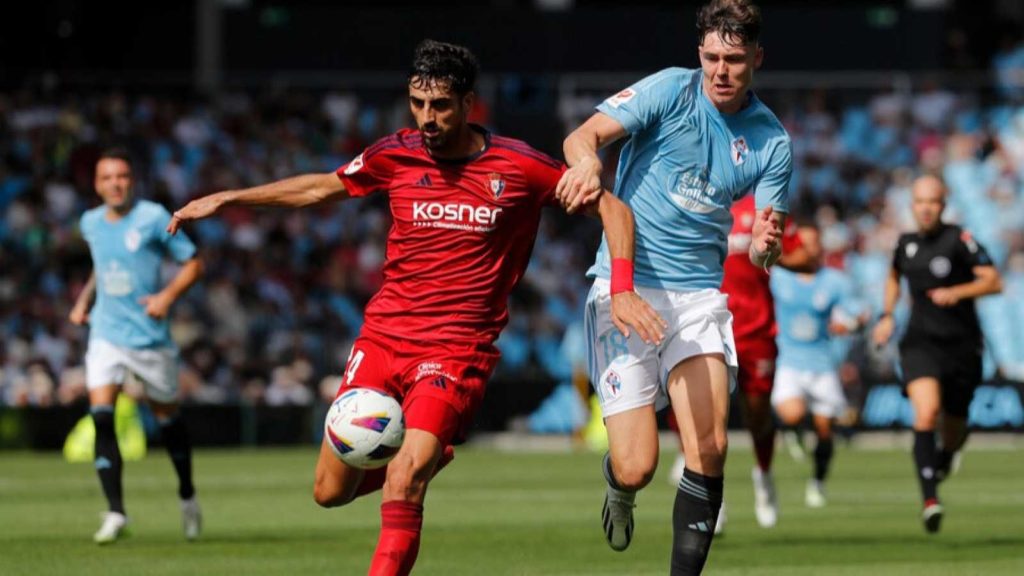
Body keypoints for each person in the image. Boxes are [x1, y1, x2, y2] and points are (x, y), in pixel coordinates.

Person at [169, 40, 663, 576]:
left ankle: (418, 458)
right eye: (418, 103)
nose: (427, 117)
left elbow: (615, 211)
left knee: (404, 479)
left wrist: (622, 287)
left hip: (455, 350)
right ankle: (428, 450)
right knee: (330, 491)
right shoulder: (395, 154)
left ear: (468, 103)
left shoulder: (520, 167)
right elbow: (320, 188)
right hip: (381, 340)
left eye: (441, 105)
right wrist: (230, 197)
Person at [557, 1, 790, 572]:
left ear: (757, 58)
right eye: (711, 57)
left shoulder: (772, 141)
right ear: (699, 54)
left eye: (734, 60)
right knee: (636, 465)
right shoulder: (669, 90)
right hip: (625, 286)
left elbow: (763, 248)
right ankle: (619, 485)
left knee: (710, 448)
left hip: (698, 299)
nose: (720, 71)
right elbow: (583, 136)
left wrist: (766, 246)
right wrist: (586, 164)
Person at [69, 147, 205, 544]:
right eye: (107, 177)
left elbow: (194, 262)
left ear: (132, 180)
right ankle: (116, 512)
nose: (115, 184)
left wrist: (166, 297)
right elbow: (101, 266)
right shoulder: (90, 222)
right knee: (101, 416)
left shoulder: (153, 217)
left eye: (122, 176)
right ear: (97, 185)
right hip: (106, 333)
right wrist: (83, 301)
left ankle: (187, 495)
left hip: (149, 337)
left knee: (168, 421)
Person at [666, 194, 809, 533]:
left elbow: (806, 257)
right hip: (705, 327)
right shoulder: (690, 200)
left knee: (757, 414)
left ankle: (764, 473)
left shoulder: (763, 207)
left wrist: (771, 252)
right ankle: (710, 498)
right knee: (702, 415)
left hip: (755, 330)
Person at [872, 174, 1002, 533]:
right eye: (920, 202)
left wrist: (958, 292)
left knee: (954, 430)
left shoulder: (960, 239)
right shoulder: (905, 244)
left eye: (932, 202)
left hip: (962, 346)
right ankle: (930, 501)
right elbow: (893, 277)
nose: (926, 209)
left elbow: (994, 281)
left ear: (943, 205)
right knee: (926, 412)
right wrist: (887, 315)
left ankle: (947, 454)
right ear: (912, 206)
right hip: (920, 343)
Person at [770, 222, 863, 510]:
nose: (808, 249)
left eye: (813, 243)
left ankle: (818, 482)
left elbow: (858, 312)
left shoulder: (835, 281)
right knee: (792, 412)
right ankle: (794, 430)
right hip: (789, 361)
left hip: (822, 363)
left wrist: (850, 323)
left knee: (825, 431)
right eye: (802, 243)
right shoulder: (779, 277)